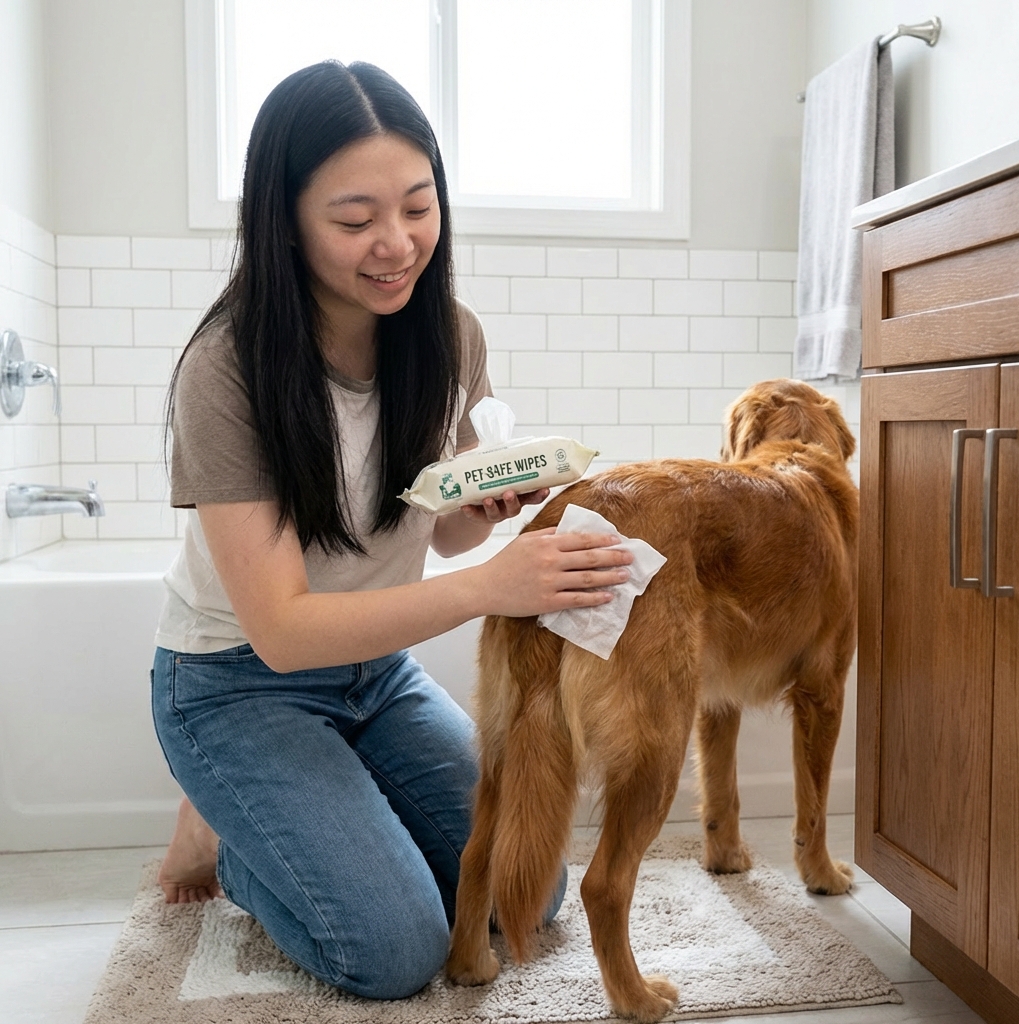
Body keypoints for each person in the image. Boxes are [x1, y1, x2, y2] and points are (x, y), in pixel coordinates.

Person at [150, 60, 633, 1001]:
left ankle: (314, 812)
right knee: (395, 950)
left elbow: (440, 538)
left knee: (526, 901)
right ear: (284, 218)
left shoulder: (448, 337)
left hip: (377, 676)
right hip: (238, 683)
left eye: (418, 206)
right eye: (354, 218)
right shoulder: (226, 371)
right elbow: (284, 633)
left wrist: (480, 515)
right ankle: (233, 842)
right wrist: (499, 584)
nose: (396, 243)